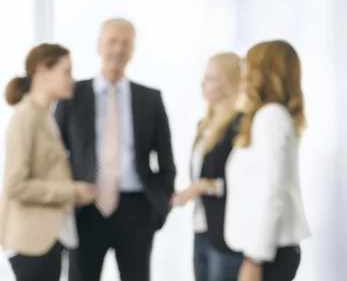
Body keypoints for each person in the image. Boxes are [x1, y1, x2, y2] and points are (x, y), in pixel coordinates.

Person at [54, 18, 177, 281]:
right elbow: (54, 157)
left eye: (126, 43)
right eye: (112, 41)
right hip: (85, 209)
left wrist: (158, 209)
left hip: (136, 211)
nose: (118, 49)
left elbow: (166, 162)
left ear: (133, 51)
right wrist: (65, 196)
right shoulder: (72, 95)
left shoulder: (150, 99)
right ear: (99, 46)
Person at [0, 43, 97, 281]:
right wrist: (70, 191)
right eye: (66, 71)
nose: (72, 79)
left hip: (47, 239)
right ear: (43, 70)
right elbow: (15, 185)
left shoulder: (44, 117)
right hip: (32, 242)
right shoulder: (25, 117)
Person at [224, 40, 311, 281]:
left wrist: (255, 258)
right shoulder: (270, 115)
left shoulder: (270, 117)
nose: (242, 72)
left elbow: (273, 192)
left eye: (247, 65)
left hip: (268, 254)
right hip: (268, 250)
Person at [171, 52, 244, 281]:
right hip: (201, 230)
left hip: (226, 234)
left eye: (211, 78)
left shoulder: (241, 125)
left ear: (229, 83)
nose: (204, 83)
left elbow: (243, 183)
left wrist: (202, 187)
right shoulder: (203, 126)